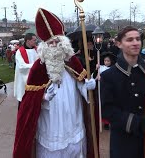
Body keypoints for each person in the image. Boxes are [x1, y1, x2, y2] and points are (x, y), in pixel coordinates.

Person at [13, 8, 97, 158]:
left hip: (73, 120)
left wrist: (88, 87)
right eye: (50, 42)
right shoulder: (38, 67)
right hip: (50, 124)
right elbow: (29, 102)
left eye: (57, 41)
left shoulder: (73, 61)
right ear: (44, 45)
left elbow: (81, 85)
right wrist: (43, 97)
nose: (54, 44)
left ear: (63, 42)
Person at [100, 26, 145, 158]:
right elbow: (107, 110)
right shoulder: (109, 76)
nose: (135, 43)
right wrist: (135, 122)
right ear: (119, 44)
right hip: (124, 141)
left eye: (138, 39)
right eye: (130, 40)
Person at [13, 33, 38, 110]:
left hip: (35, 78)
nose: (35, 41)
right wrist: (36, 65)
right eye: (34, 40)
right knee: (23, 101)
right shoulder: (20, 52)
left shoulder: (36, 50)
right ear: (28, 41)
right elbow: (22, 66)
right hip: (23, 79)